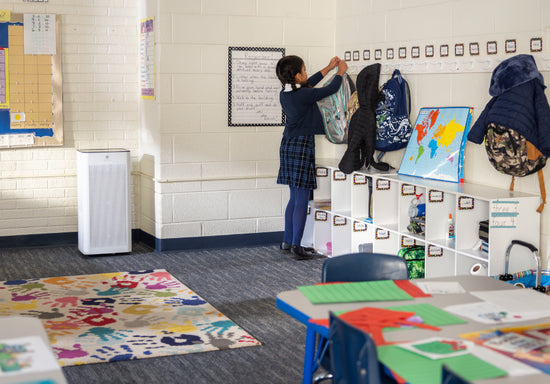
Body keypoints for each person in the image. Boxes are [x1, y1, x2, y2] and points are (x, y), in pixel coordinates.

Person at [276, 55, 348, 260]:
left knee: (294, 197)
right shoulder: (303, 95)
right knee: (301, 199)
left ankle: (287, 241)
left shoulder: (286, 92)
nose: (307, 73)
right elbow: (327, 90)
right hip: (301, 146)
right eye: (304, 70)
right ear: (297, 76)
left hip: (288, 145)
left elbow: (310, 85)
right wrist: (340, 72)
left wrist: (329, 67)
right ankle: (298, 248)